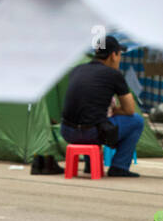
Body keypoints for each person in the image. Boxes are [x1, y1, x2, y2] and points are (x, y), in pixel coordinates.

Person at [60, 34, 144, 178]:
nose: (119, 59)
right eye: (119, 54)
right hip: (92, 133)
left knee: (93, 117)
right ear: (113, 55)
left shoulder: (77, 69)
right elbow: (129, 109)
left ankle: (90, 165)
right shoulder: (113, 74)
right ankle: (119, 166)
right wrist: (114, 110)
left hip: (67, 131)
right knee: (136, 121)